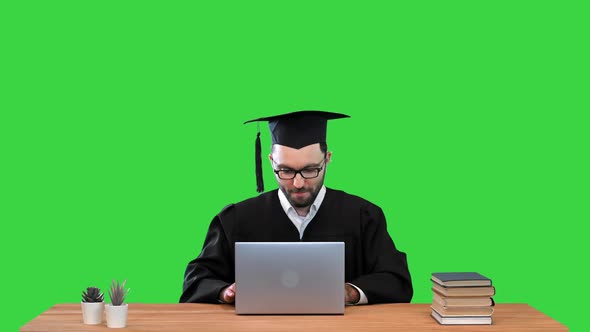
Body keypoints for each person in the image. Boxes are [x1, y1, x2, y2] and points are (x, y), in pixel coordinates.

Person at [180, 110, 413, 304]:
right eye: (286, 170)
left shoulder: (363, 215)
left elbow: (397, 280)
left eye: (311, 169)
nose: (298, 183)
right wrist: (225, 292)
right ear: (271, 162)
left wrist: (350, 292)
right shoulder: (236, 218)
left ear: (328, 159)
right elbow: (196, 281)